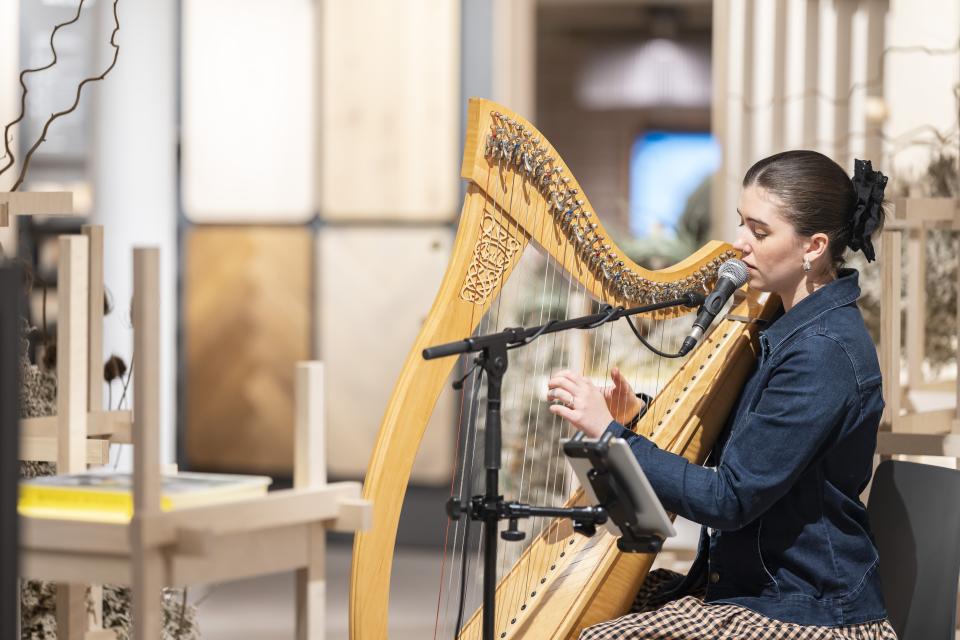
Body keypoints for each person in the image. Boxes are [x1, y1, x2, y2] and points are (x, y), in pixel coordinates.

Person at [547, 151, 898, 639]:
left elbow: (730, 498)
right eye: (741, 225)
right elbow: (752, 441)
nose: (740, 244)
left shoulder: (822, 352)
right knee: (591, 607)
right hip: (754, 589)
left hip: (807, 610)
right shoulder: (782, 324)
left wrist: (610, 436)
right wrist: (634, 417)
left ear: (813, 247)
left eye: (760, 231)